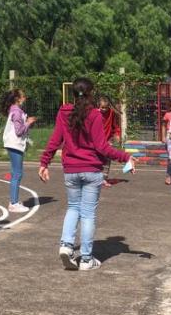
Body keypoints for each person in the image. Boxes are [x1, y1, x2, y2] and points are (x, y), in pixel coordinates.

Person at [38, 77, 133, 271]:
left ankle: (66, 246)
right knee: (88, 214)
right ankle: (87, 258)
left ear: (72, 93)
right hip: (91, 170)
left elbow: (55, 139)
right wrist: (126, 157)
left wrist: (44, 162)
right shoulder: (95, 115)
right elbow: (102, 147)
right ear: (91, 93)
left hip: (71, 170)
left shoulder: (64, 112)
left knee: (73, 207)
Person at [0, 88, 36, 213]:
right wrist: (28, 123)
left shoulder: (14, 110)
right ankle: (13, 203)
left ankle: (14, 201)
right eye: (23, 96)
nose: (25, 98)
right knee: (17, 173)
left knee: (16, 173)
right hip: (14, 144)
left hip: (13, 144)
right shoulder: (17, 111)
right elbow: (19, 131)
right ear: (17, 99)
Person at [97, 95, 122, 187]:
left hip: (107, 140)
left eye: (106, 107)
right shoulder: (95, 113)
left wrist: (117, 134)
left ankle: (104, 178)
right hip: (96, 141)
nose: (104, 109)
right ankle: (95, 178)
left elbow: (115, 126)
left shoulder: (111, 113)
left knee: (107, 160)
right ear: (98, 106)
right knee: (96, 160)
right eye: (102, 107)